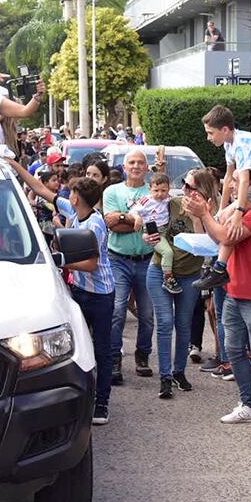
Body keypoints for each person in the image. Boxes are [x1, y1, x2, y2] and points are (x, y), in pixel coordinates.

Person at [11, 162, 116, 425]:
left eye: (70, 192)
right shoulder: (74, 209)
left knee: (102, 350)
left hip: (100, 295)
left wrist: (58, 261)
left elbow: (91, 264)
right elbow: (39, 189)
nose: (66, 195)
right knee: (80, 344)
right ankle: (83, 397)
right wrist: (13, 164)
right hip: (80, 290)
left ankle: (102, 403)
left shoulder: (95, 225)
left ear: (77, 198)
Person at [189, 158, 251, 425]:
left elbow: (226, 237)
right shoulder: (241, 209)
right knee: (234, 350)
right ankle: (249, 404)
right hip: (234, 292)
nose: (230, 189)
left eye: (237, 184)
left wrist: (205, 215)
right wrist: (204, 214)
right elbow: (216, 232)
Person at [195, 105, 251, 291]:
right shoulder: (229, 144)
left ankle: (219, 267)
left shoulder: (242, 141)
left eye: (211, 133)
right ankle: (214, 265)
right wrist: (222, 208)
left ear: (225, 129)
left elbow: (244, 179)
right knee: (223, 216)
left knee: (231, 218)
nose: (208, 138)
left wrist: (238, 213)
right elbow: (228, 177)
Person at [142, 170, 208, 399]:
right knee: (165, 322)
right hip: (160, 270)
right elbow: (148, 220)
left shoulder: (211, 212)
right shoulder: (171, 203)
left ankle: (179, 372)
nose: (186, 191)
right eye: (184, 186)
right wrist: (146, 235)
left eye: (191, 187)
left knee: (183, 324)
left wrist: (200, 215)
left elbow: (203, 244)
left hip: (190, 274)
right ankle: (165, 377)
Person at [102, 149, 156, 384]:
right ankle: (114, 359)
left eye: (140, 163)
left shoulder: (153, 191)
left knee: (147, 314)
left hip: (147, 260)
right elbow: (111, 224)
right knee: (116, 312)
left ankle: (142, 356)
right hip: (118, 260)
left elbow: (154, 223)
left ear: (147, 167)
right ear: (124, 167)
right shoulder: (112, 191)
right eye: (131, 162)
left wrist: (123, 217)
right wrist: (134, 220)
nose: (136, 166)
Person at [128, 174, 180, 295]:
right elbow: (132, 211)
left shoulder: (169, 199)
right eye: (156, 190)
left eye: (163, 190)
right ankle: (168, 278)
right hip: (154, 232)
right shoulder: (146, 201)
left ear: (169, 189)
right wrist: (137, 218)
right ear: (150, 188)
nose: (160, 194)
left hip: (168, 230)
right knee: (167, 252)